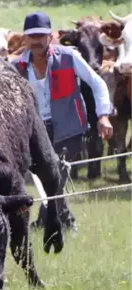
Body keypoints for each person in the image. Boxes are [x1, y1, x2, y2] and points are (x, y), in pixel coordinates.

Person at [11, 11, 114, 230]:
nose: (37, 40)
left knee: (56, 175)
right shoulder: (16, 67)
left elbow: (97, 84)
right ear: (25, 38)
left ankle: (48, 223)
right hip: (35, 131)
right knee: (51, 178)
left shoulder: (69, 57)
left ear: (50, 36)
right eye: (32, 36)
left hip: (69, 129)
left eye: (42, 35)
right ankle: (60, 220)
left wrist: (103, 116)